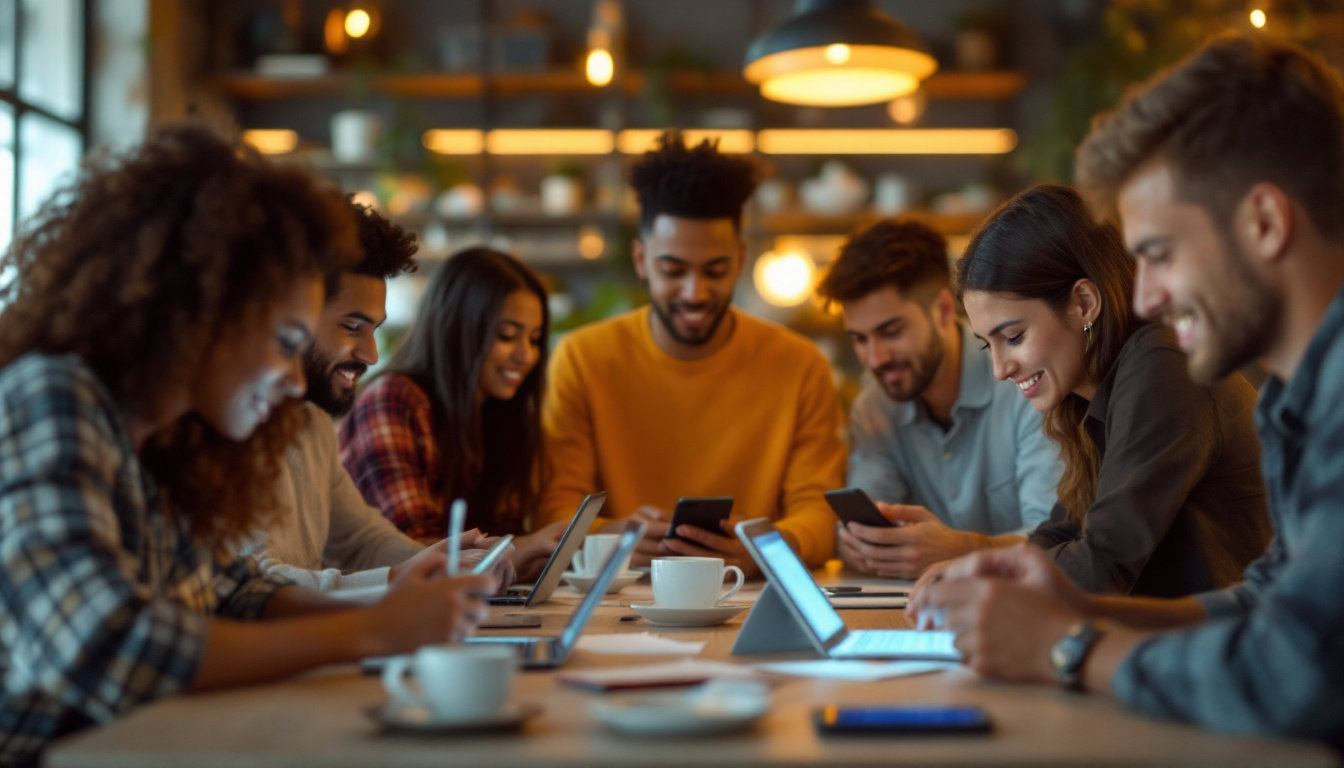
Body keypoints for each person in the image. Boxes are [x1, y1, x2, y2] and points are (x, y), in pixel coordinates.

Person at [0, 125, 494, 766]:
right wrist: (371, 630)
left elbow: (236, 593)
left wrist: (394, 603)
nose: (294, 380)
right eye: (286, 343)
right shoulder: (53, 396)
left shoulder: (170, 437)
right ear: (200, 313)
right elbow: (107, 647)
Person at [911, 34, 1344, 744]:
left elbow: (1294, 675)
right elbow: (1270, 605)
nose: (1144, 295)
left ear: (1264, 223)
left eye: (1160, 255)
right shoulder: (1305, 399)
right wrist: (1057, 608)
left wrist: (1068, 646)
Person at [538, 134, 845, 573]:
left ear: (740, 260)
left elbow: (818, 511)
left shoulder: (799, 365)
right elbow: (554, 510)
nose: (695, 293)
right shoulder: (582, 359)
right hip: (619, 598)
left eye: (715, 271)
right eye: (673, 270)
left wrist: (767, 550)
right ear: (642, 260)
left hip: (748, 592)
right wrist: (614, 537)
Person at [950, 183, 1268, 597]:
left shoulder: (1164, 365)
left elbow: (1100, 567)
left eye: (1012, 336)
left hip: (1224, 651)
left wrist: (981, 577)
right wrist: (984, 573)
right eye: (986, 344)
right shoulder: (1096, 393)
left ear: (1083, 302)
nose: (999, 369)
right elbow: (1060, 533)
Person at [241, 202, 512, 591]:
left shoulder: (311, 422)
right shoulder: (224, 425)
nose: (371, 355)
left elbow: (361, 541)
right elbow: (250, 587)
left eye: (374, 330)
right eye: (352, 327)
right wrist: (401, 578)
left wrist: (442, 561)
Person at [815, 219, 1061, 579]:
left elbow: (1060, 545)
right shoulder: (874, 407)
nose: (875, 358)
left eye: (891, 332)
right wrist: (857, 543)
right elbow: (866, 518)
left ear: (944, 309)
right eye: (860, 339)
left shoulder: (1024, 384)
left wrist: (963, 552)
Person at [340, 247, 562, 581]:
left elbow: (501, 532)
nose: (525, 355)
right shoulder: (392, 400)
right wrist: (517, 548)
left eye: (534, 339)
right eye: (506, 336)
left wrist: (525, 558)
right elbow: (411, 549)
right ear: (456, 327)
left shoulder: (500, 415)